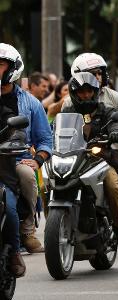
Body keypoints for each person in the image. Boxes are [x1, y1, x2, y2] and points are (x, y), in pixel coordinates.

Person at [61, 72, 118, 253]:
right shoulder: (68, 112)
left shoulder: (106, 110)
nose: (85, 95)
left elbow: (116, 122)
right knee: (51, 180)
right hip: (74, 161)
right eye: (81, 92)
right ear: (74, 93)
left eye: (89, 92)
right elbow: (57, 130)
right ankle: (56, 224)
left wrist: (115, 131)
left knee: (112, 185)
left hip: (101, 160)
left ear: (95, 92)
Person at [0, 44, 53, 254]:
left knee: (28, 176)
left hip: (17, 159)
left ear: (13, 68)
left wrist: (37, 160)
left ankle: (28, 229)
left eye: (1, 65)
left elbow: (45, 139)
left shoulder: (31, 103)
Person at [0, 43, 33, 276]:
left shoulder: (10, 106)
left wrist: (15, 140)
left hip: (2, 174)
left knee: (8, 208)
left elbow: (16, 127)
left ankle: (13, 252)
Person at [64, 53, 118, 122]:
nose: (98, 77)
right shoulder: (69, 102)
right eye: (92, 73)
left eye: (100, 73)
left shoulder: (116, 98)